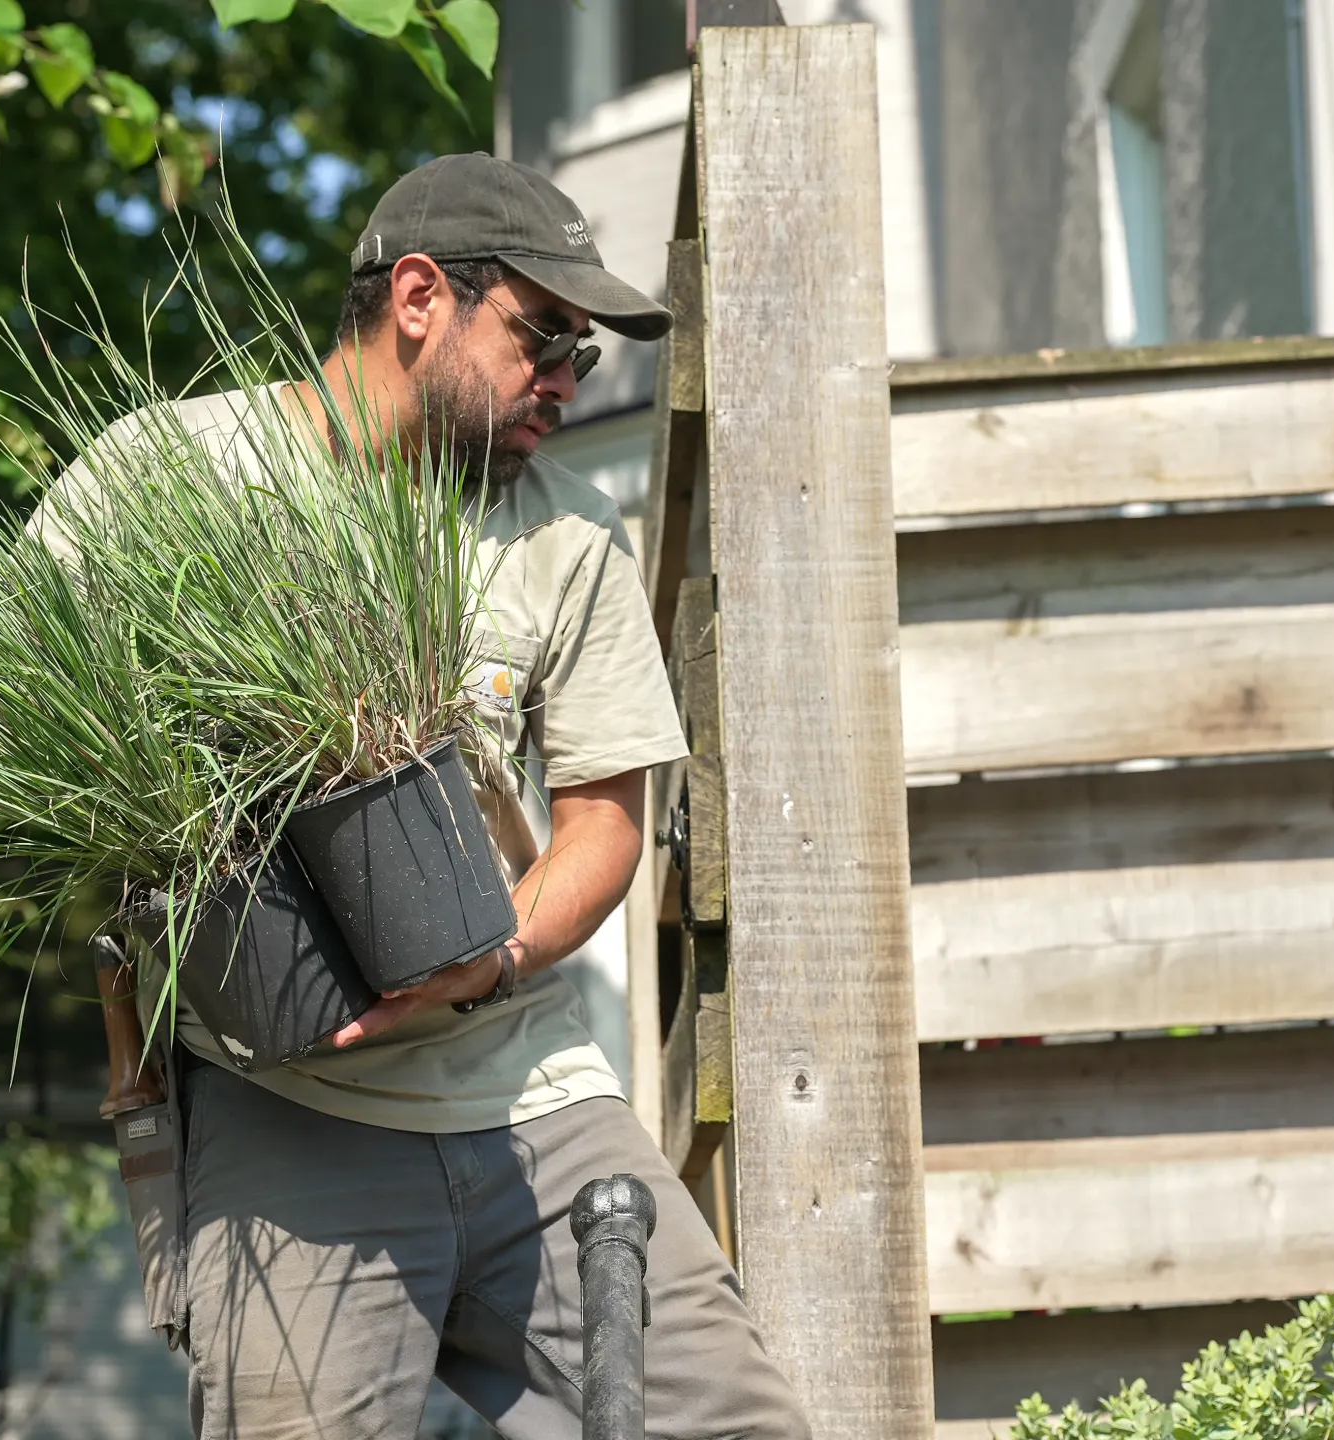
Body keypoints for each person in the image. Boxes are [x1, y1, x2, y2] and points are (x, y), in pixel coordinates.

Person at [47, 153, 811, 1440]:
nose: (565, 385)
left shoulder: (570, 536)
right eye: (544, 339)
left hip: (532, 1095)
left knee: (741, 1425)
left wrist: (490, 958)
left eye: (587, 358)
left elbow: (604, 824)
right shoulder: (172, 475)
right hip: (289, 1109)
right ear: (417, 297)